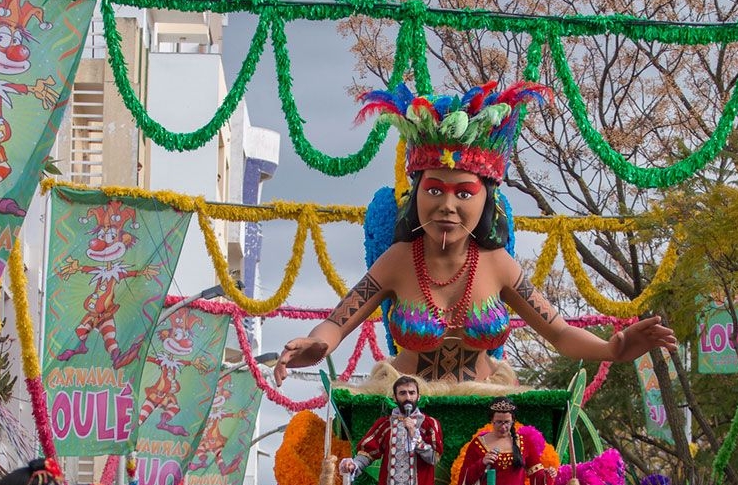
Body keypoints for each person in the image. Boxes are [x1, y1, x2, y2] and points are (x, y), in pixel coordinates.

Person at [273, 81, 676, 388]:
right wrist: (317, 344)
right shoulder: (398, 259)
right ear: (417, 195)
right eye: (435, 190)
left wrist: (613, 348)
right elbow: (336, 324)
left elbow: (560, 332)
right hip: (402, 413)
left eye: (464, 193)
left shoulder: (498, 265)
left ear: (486, 200)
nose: (447, 205)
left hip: (488, 419)